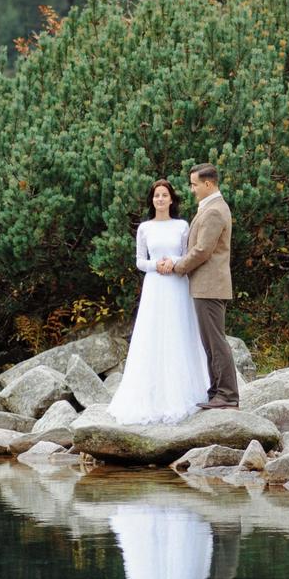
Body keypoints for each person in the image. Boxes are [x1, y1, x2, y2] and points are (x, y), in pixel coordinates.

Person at [107, 179, 209, 426]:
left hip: (176, 283)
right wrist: (156, 265)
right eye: (156, 196)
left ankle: (184, 391)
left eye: (164, 195)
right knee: (152, 334)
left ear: (171, 199)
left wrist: (172, 264)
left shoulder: (182, 226)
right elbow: (140, 261)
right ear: (152, 200)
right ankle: (150, 394)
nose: (160, 199)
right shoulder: (145, 228)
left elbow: (188, 254)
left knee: (177, 331)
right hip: (155, 284)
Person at [158, 163, 238, 410]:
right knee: (209, 342)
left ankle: (227, 395)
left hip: (210, 286)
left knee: (216, 341)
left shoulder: (214, 211)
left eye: (194, 184)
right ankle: (216, 391)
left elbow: (203, 250)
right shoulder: (211, 207)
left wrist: (178, 266)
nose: (192, 189)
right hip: (206, 286)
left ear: (208, 184)